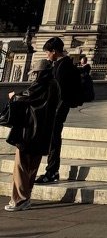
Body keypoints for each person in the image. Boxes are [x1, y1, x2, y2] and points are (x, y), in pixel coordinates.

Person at [5, 57, 57, 209]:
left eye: (35, 73)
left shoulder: (40, 85)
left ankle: (18, 200)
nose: (34, 76)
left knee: (21, 166)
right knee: (33, 167)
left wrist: (13, 96)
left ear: (39, 73)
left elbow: (24, 97)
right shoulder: (55, 85)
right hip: (45, 133)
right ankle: (26, 197)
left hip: (29, 131)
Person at [34, 36, 81, 185]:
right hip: (58, 107)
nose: (47, 55)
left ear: (54, 51)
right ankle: (52, 170)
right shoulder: (61, 64)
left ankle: (52, 171)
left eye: (48, 52)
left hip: (57, 108)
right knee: (53, 138)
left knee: (54, 139)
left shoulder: (62, 66)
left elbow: (59, 91)